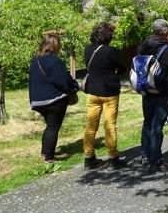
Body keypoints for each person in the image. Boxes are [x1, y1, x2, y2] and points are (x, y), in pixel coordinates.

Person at [82, 22, 128, 170]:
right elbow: (122, 67)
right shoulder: (111, 51)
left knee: (91, 126)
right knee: (109, 125)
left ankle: (89, 158)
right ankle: (113, 158)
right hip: (109, 92)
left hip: (92, 92)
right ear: (108, 36)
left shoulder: (87, 49)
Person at [138, 19, 168, 173]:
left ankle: (145, 155)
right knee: (157, 125)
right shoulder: (167, 51)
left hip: (146, 89)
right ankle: (156, 161)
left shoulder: (143, 47)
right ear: (165, 32)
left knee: (147, 122)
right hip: (163, 92)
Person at [29, 35, 78, 163]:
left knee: (50, 126)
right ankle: (49, 158)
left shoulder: (35, 61)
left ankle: (45, 152)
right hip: (54, 100)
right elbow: (61, 81)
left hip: (37, 101)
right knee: (53, 127)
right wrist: (71, 89)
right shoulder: (54, 60)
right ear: (55, 45)